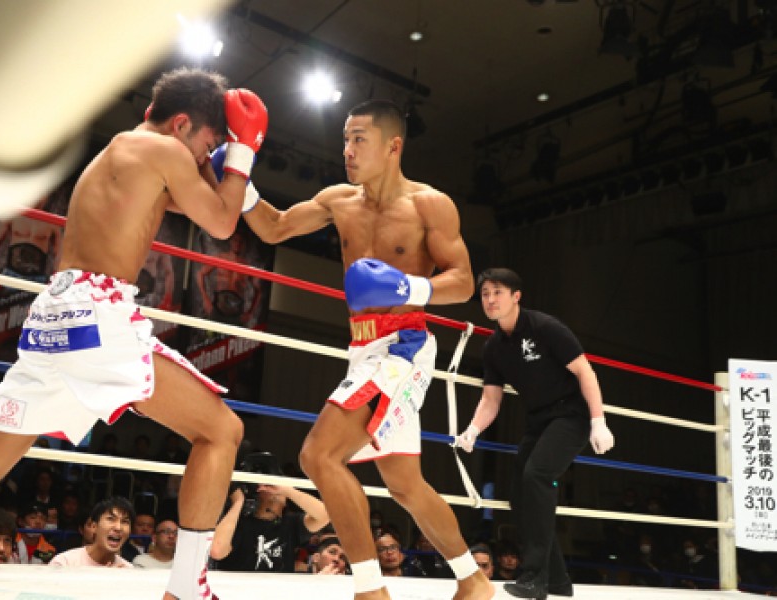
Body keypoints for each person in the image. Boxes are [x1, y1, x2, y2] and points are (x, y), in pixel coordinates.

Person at [0, 67, 268, 600]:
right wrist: (243, 150)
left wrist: (219, 167)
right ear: (181, 124)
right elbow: (221, 223)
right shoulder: (163, 151)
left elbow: (205, 202)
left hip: (57, 314)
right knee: (221, 430)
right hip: (98, 317)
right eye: (206, 143)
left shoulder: (123, 152)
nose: (205, 155)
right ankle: (187, 588)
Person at [233, 99, 493, 600]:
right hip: (362, 347)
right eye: (345, 139)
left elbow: (463, 282)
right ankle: (474, 580)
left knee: (319, 456)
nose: (347, 151)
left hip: (404, 346)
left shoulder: (429, 204)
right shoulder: (339, 200)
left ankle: (370, 590)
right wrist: (240, 171)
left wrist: (408, 287)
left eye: (359, 139)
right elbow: (275, 226)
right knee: (404, 485)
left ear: (393, 146)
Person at [454, 267, 616, 599]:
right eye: (485, 294)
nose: (490, 299)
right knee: (519, 494)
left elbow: (585, 371)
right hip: (539, 419)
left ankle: (534, 578)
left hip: (572, 413)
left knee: (537, 475)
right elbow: (491, 398)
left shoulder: (545, 327)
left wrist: (598, 420)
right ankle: (557, 580)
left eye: (497, 292)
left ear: (516, 296)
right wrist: (472, 429)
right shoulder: (494, 347)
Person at [210, 482, 330, 573]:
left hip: (276, 592)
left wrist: (287, 490)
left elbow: (325, 515)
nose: (272, 488)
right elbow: (217, 550)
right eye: (266, 485)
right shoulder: (238, 522)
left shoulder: (292, 523)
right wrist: (238, 501)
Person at [50, 497, 135, 568]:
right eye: (111, 519)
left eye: (125, 521)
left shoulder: (128, 571)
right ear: (94, 526)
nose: (118, 527)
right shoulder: (64, 563)